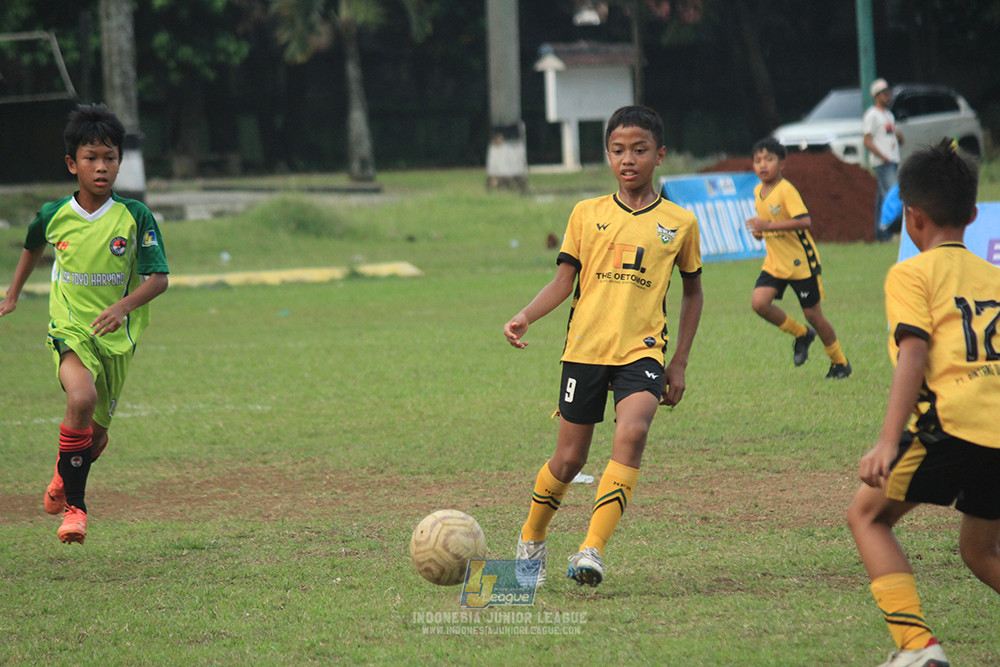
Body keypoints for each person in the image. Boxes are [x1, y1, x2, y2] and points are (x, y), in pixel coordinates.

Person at [503, 105, 703, 588]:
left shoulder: (679, 223)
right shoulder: (586, 214)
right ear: (607, 157)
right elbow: (562, 282)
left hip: (642, 353)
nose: (628, 160)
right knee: (569, 460)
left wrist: (678, 363)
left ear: (660, 155)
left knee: (632, 433)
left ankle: (590, 550)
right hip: (584, 351)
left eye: (639, 150)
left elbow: (694, 292)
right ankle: (532, 536)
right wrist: (526, 314)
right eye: (617, 151)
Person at [846, 139, 1000, 667]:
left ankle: (919, 650)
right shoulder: (995, 278)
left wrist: (889, 440)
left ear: (911, 217)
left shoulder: (911, 273)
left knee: (868, 517)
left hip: (953, 425)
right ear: (974, 214)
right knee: (981, 552)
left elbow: (914, 352)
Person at [0, 103, 169, 544]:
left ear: (119, 162)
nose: (101, 167)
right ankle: (76, 510)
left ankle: (63, 475)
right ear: (72, 163)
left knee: (94, 439)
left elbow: (159, 279)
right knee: (81, 396)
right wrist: (13, 293)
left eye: (110, 157)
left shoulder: (135, 217)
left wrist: (122, 308)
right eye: (91, 157)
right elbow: (32, 245)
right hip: (71, 327)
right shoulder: (54, 214)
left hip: (117, 337)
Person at [744, 137, 851, 379]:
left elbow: (804, 221)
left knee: (814, 315)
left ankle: (839, 362)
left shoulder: (786, 190)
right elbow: (770, 226)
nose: (763, 165)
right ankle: (802, 334)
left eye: (769, 159)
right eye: (758, 160)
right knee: (759, 303)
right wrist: (761, 233)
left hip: (801, 263)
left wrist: (768, 226)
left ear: (782, 163)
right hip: (775, 263)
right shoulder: (757, 191)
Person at [864, 78, 904, 242]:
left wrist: (899, 139)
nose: (888, 96)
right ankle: (898, 230)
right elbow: (867, 140)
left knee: (883, 200)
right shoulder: (872, 115)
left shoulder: (889, 115)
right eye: (884, 93)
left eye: (888, 93)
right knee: (895, 194)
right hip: (883, 162)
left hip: (893, 160)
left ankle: (881, 235)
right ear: (876, 95)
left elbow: (890, 135)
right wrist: (883, 156)